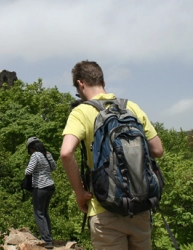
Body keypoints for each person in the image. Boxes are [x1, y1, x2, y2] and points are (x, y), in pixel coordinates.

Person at [60, 60, 163, 250]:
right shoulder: (131, 107)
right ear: (103, 82)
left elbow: (66, 153)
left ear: (80, 83)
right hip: (140, 207)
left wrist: (80, 193)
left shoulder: (81, 111)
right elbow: (158, 150)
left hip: (104, 208)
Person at [25, 137, 57, 249]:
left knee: (38, 213)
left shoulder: (35, 155)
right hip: (50, 186)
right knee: (44, 212)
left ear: (31, 147)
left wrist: (27, 169)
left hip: (40, 186)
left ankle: (47, 240)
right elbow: (54, 168)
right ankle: (49, 238)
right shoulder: (46, 154)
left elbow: (28, 171)